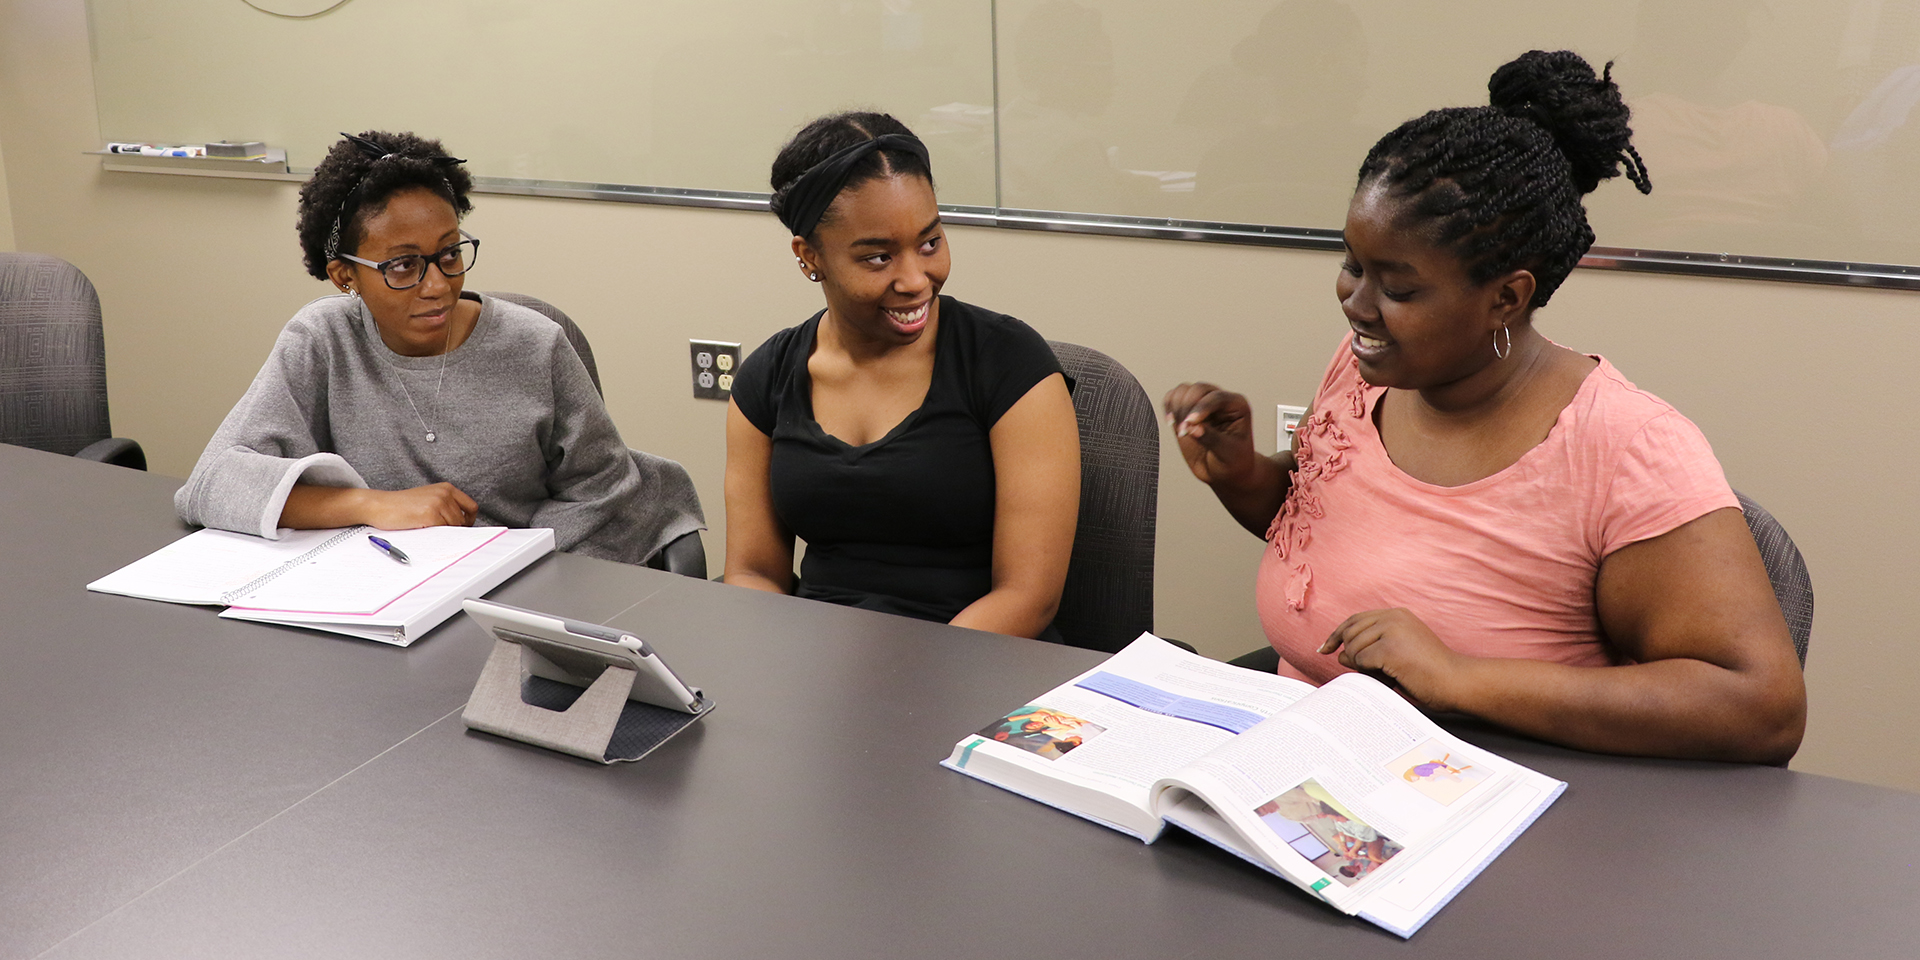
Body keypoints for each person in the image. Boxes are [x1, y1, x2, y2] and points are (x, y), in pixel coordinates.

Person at [1163, 51, 1806, 763]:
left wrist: (1462, 679)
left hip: (1489, 796)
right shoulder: (1365, 368)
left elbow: (1761, 709)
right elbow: (1331, 530)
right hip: (1310, 753)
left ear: (1507, 296)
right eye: (1352, 264)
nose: (1357, 303)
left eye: (1398, 288)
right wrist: (1244, 476)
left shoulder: (1628, 447)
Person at [175, 131, 700, 564]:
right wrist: (371, 505)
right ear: (344, 276)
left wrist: (510, 562)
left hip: (516, 594)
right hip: (379, 598)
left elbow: (604, 490)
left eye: (449, 254)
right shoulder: (322, 341)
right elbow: (212, 484)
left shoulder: (536, 346)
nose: (437, 285)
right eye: (403, 265)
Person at [725, 112, 1080, 640]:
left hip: (976, 661)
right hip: (818, 662)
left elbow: (1028, 598)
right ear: (809, 256)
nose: (915, 280)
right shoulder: (768, 379)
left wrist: (900, 687)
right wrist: (783, 661)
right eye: (877, 257)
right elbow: (753, 572)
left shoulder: (1009, 365)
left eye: (930, 242)